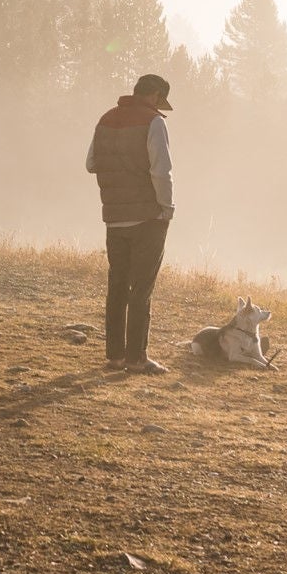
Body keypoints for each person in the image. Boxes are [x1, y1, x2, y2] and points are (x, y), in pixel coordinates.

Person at [85, 73, 174, 373]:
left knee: (118, 285)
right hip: (148, 217)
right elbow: (161, 171)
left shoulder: (106, 119)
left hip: (114, 218)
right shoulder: (154, 122)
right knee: (141, 288)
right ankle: (137, 358)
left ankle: (115, 356)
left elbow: (91, 163)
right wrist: (167, 207)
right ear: (156, 96)